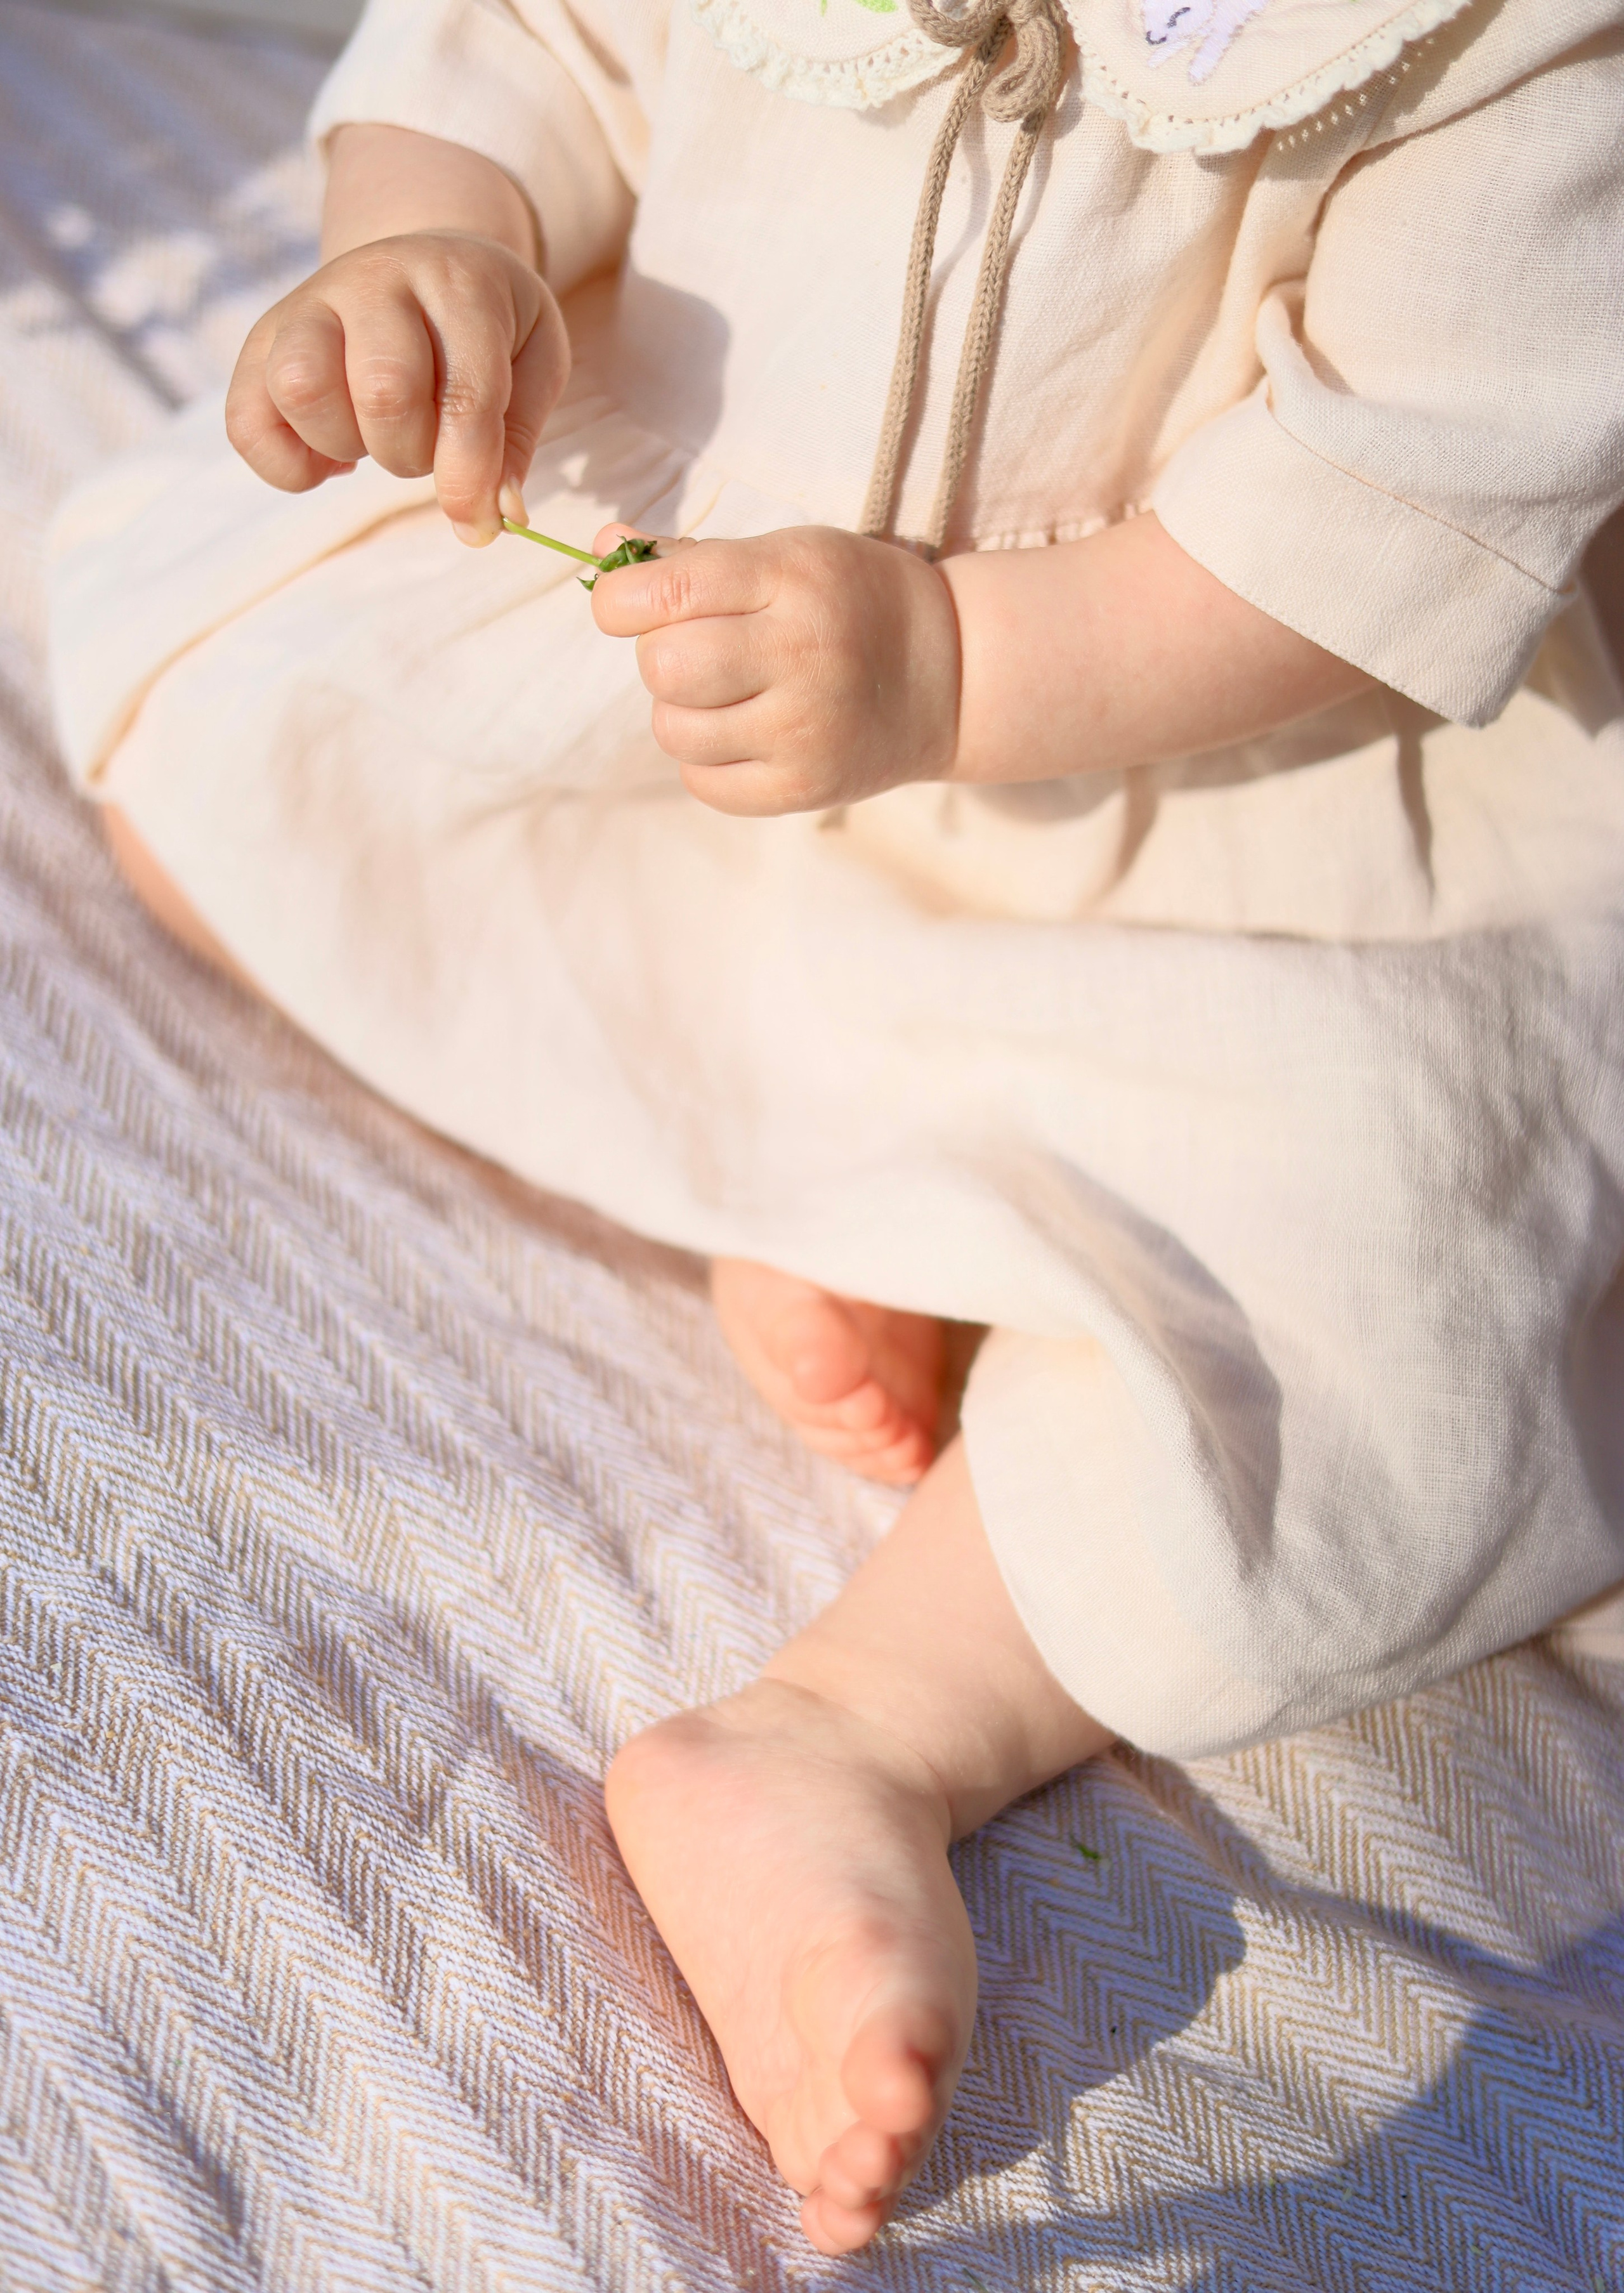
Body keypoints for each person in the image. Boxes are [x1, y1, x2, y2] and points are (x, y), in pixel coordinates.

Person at [48, 0, 1624, 2254]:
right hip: (679, 672)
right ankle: (828, 1163)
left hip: (1211, 809)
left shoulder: (1523, 56)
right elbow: (523, 36)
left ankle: (853, 1736)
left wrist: (959, 672)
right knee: (222, 749)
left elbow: (1382, 519)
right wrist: (436, 241)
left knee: (1418, 1241)